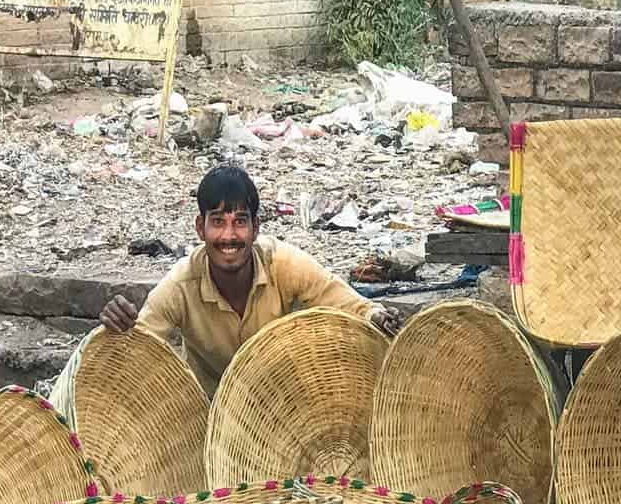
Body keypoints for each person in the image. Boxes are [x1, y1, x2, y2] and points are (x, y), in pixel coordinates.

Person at [100, 166, 402, 396]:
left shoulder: (282, 263)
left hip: (281, 400)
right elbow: (138, 346)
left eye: (240, 222)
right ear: (200, 228)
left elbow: (344, 301)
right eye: (218, 222)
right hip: (211, 410)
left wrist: (376, 316)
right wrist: (116, 328)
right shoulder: (181, 285)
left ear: (255, 228)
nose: (229, 236)